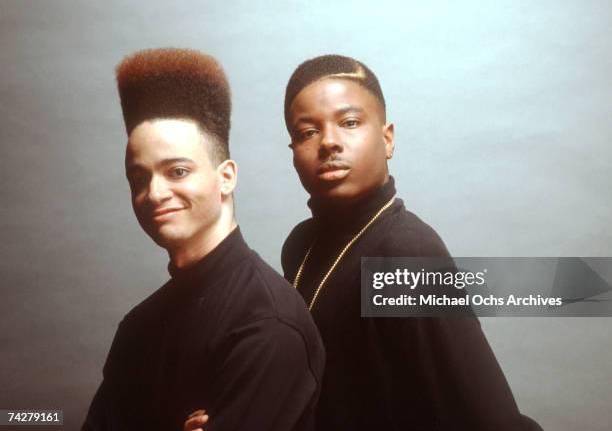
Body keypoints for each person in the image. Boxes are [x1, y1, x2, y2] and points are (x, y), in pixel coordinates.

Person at [280, 54, 541, 430]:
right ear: (293, 153)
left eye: (350, 122)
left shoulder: (405, 254)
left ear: (387, 139)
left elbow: (486, 416)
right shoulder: (301, 245)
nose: (329, 142)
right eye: (308, 132)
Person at [82, 48, 325, 431]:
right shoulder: (137, 327)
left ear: (226, 176)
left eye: (177, 171)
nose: (155, 193)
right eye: (139, 178)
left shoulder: (268, 326)